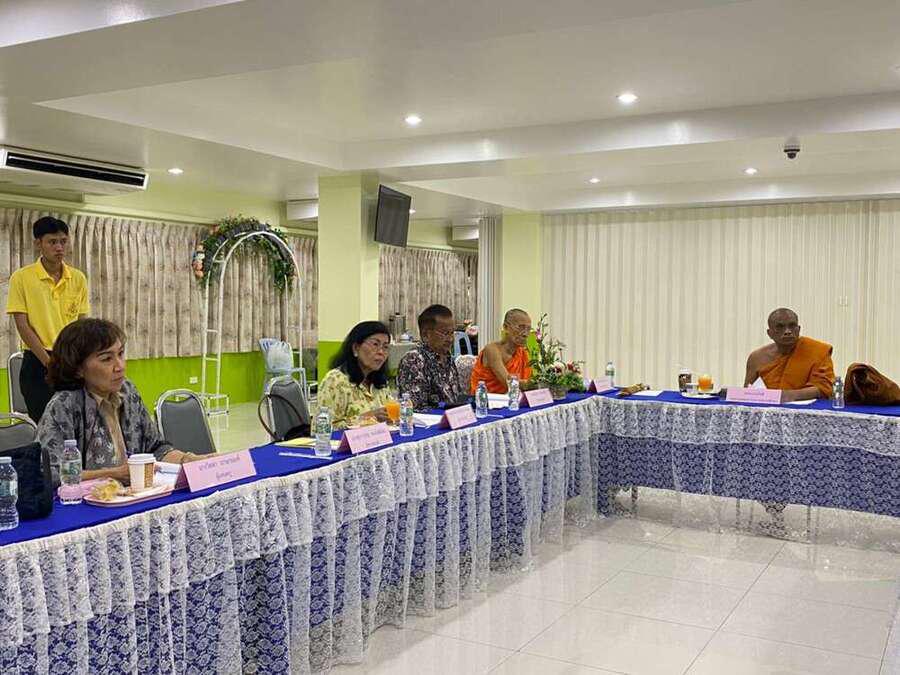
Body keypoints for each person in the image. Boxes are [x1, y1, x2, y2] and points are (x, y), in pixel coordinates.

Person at [37, 318, 203, 487]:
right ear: (78, 369)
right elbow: (49, 473)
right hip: (91, 499)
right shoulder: (64, 405)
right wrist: (114, 475)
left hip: (134, 494)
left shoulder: (127, 391)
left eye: (121, 354)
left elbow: (155, 448)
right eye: (106, 359)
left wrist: (189, 460)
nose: (120, 366)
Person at [6, 216, 89, 422]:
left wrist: (75, 360)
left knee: (76, 423)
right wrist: (49, 363)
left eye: (63, 241)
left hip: (70, 359)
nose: (59, 247)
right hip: (37, 362)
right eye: (52, 242)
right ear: (38, 244)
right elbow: (23, 326)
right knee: (46, 426)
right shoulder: (21, 278)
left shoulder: (78, 278)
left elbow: (81, 325)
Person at [744, 307, 835, 402]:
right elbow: (747, 393)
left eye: (792, 326)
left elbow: (824, 387)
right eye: (780, 327)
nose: (787, 331)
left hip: (806, 407)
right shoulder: (757, 358)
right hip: (765, 408)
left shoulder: (818, 351)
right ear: (769, 333)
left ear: (798, 329)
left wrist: (789, 395)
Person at [317, 321, 395, 429]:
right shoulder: (335, 381)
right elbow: (321, 428)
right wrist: (367, 418)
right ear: (355, 348)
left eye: (385, 347)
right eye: (375, 344)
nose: (381, 352)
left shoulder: (380, 382)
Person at [397, 304, 463, 410]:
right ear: (425, 335)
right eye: (445, 333)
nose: (450, 339)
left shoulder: (447, 357)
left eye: (452, 333)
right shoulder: (414, 359)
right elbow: (415, 408)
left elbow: (456, 398)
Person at [470, 308, 533, 394]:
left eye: (528, 329)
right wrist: (539, 383)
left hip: (513, 399)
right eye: (520, 327)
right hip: (486, 400)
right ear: (506, 327)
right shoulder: (492, 350)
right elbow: (509, 383)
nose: (525, 334)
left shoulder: (523, 353)